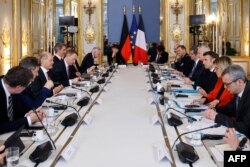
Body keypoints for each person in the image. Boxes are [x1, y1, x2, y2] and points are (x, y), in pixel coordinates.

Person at [203, 65, 250, 138]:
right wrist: (214, 110)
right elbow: (230, 108)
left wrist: (217, 117)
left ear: (239, 82)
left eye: (227, 84)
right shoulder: (238, 90)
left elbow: (244, 127)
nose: (224, 87)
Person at [0, 66, 45, 134]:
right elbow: (1, 127)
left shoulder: (12, 88)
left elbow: (14, 116)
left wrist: (28, 115)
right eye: (26, 86)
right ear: (18, 87)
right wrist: (29, 120)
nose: (25, 89)